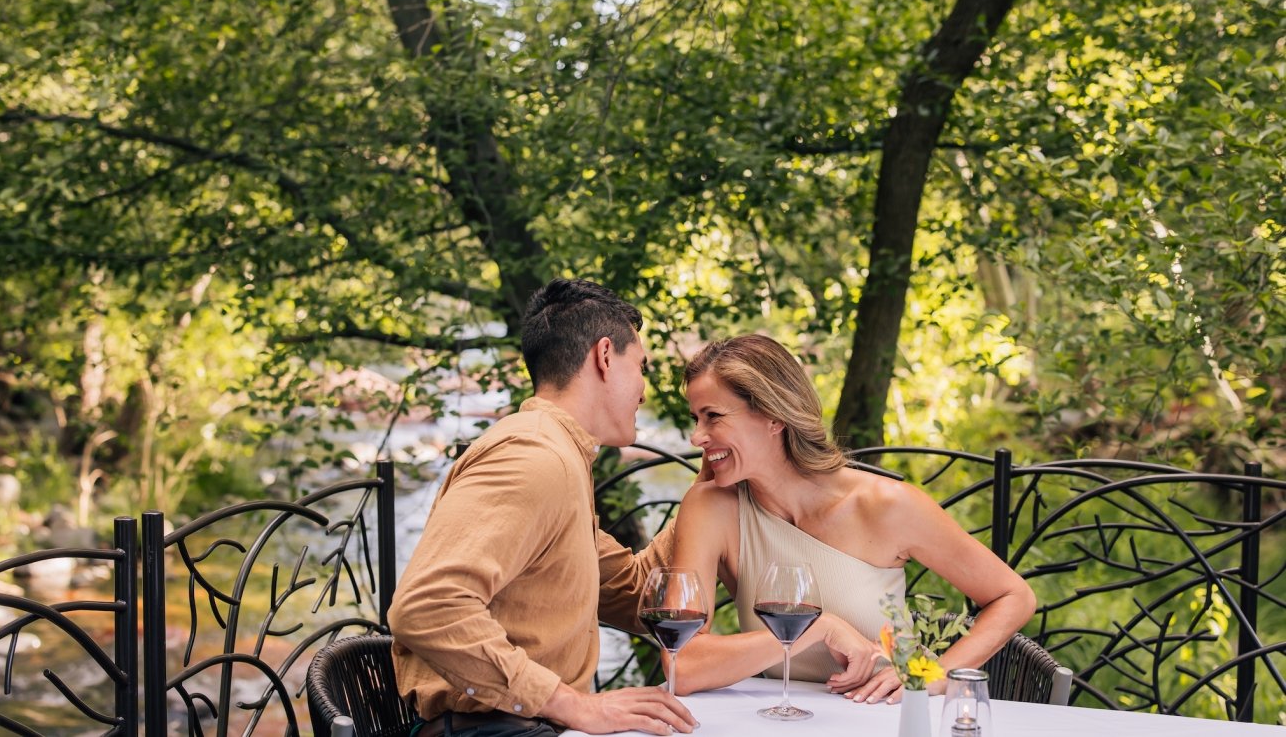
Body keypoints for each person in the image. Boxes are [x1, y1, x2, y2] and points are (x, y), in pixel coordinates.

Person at [388, 278, 698, 737]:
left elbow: (636, 596)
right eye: (642, 368)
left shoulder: (561, 456)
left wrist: (709, 488)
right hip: (492, 730)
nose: (645, 391)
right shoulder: (534, 458)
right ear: (606, 356)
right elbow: (425, 606)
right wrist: (570, 703)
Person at [670, 334, 1036, 703]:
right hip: (780, 719)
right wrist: (817, 628)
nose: (697, 437)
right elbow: (681, 665)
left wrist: (934, 677)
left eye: (713, 417)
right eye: (696, 418)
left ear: (773, 416)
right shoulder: (711, 506)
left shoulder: (886, 505)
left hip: (890, 717)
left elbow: (1013, 596)